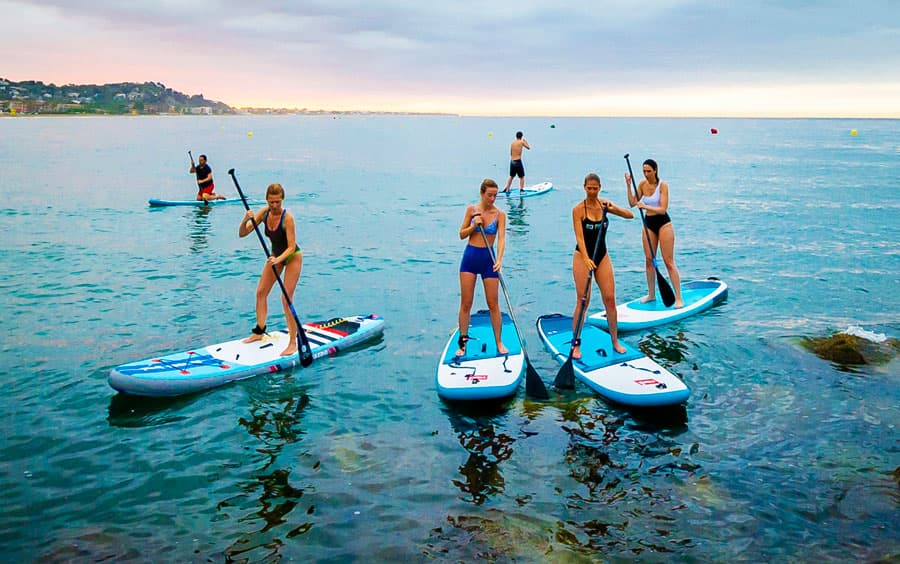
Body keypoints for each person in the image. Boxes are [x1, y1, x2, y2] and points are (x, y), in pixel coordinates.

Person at [571, 173, 634, 358]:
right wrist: (585, 258)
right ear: (584, 187)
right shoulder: (578, 209)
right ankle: (576, 344)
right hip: (582, 257)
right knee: (584, 300)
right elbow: (579, 237)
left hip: (602, 255)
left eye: (595, 188)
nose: (592, 191)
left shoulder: (604, 205)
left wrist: (613, 207)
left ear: (600, 188)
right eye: (589, 188)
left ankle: (614, 341)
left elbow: (629, 215)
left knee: (610, 299)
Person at [238, 183, 303, 356]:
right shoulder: (263, 213)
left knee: (286, 298)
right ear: (267, 200)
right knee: (261, 293)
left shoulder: (288, 218)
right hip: (275, 257)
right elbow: (242, 234)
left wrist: (277, 260)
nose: (274, 206)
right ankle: (259, 332)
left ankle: (292, 342)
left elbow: (290, 247)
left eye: (278, 202)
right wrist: (246, 219)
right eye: (271, 202)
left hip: (292, 257)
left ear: (282, 200)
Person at [456, 178, 508, 357]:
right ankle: (462, 343)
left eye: (495, 195)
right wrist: (473, 226)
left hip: (489, 260)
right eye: (489, 195)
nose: (492, 199)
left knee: (493, 303)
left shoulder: (500, 214)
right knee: (466, 303)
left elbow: (501, 239)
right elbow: (461, 234)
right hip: (470, 259)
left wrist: (499, 259)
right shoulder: (472, 210)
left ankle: (499, 342)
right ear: (482, 193)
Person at [625, 158, 684, 308]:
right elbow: (632, 203)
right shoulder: (642, 185)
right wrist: (628, 184)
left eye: (649, 171)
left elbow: (663, 208)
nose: (646, 174)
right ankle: (651, 294)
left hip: (663, 223)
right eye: (644, 171)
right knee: (649, 261)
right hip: (649, 224)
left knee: (668, 262)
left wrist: (644, 206)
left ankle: (678, 298)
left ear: (655, 170)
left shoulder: (663, 185)